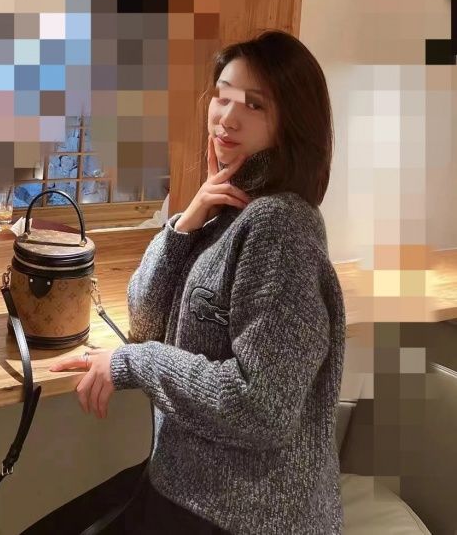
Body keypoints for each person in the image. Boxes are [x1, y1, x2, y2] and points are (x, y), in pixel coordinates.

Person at [50, 30, 346, 534]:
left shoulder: (279, 226)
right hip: (189, 485)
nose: (227, 117)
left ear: (291, 123)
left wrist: (136, 363)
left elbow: (262, 407)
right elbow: (145, 321)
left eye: (254, 104)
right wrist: (187, 221)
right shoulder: (230, 212)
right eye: (222, 96)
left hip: (244, 515)